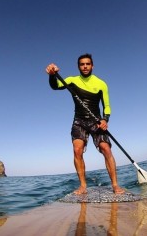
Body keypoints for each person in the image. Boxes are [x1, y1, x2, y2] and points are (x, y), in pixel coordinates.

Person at [45, 53, 125, 195]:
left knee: (106, 148)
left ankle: (115, 185)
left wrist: (105, 119)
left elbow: (107, 105)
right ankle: (83, 186)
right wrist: (52, 75)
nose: (85, 66)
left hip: (96, 121)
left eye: (88, 64)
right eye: (82, 64)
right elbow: (55, 86)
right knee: (77, 150)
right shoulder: (72, 80)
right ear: (78, 67)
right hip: (79, 120)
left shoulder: (101, 84)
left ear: (92, 65)